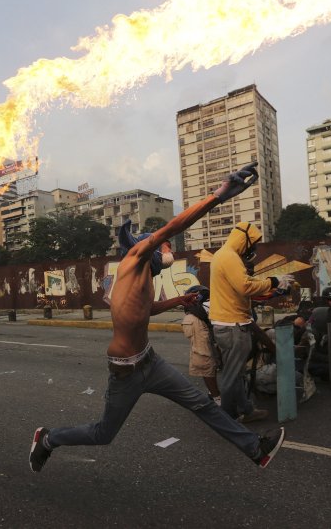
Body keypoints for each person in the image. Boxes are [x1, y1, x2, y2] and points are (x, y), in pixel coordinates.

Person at [29, 163, 285, 473]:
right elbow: (173, 226)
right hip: (125, 370)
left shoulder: (146, 278)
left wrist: (179, 300)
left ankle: (255, 449)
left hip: (151, 362)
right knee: (103, 434)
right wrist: (220, 194)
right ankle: (48, 439)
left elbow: (146, 310)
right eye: (162, 245)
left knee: (202, 402)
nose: (166, 249)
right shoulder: (133, 260)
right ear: (145, 247)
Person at [209, 221, 295, 423]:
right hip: (233, 326)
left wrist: (273, 281)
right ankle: (228, 419)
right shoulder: (230, 257)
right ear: (244, 240)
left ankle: (246, 410)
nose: (253, 249)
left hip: (229, 323)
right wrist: (274, 282)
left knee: (236, 373)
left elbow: (246, 282)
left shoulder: (224, 254)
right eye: (253, 244)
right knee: (232, 376)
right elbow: (245, 287)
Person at [181, 285, 221, 404]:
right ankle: (216, 399)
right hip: (197, 322)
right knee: (205, 359)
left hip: (199, 321)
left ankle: (213, 393)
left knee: (213, 358)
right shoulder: (209, 300)